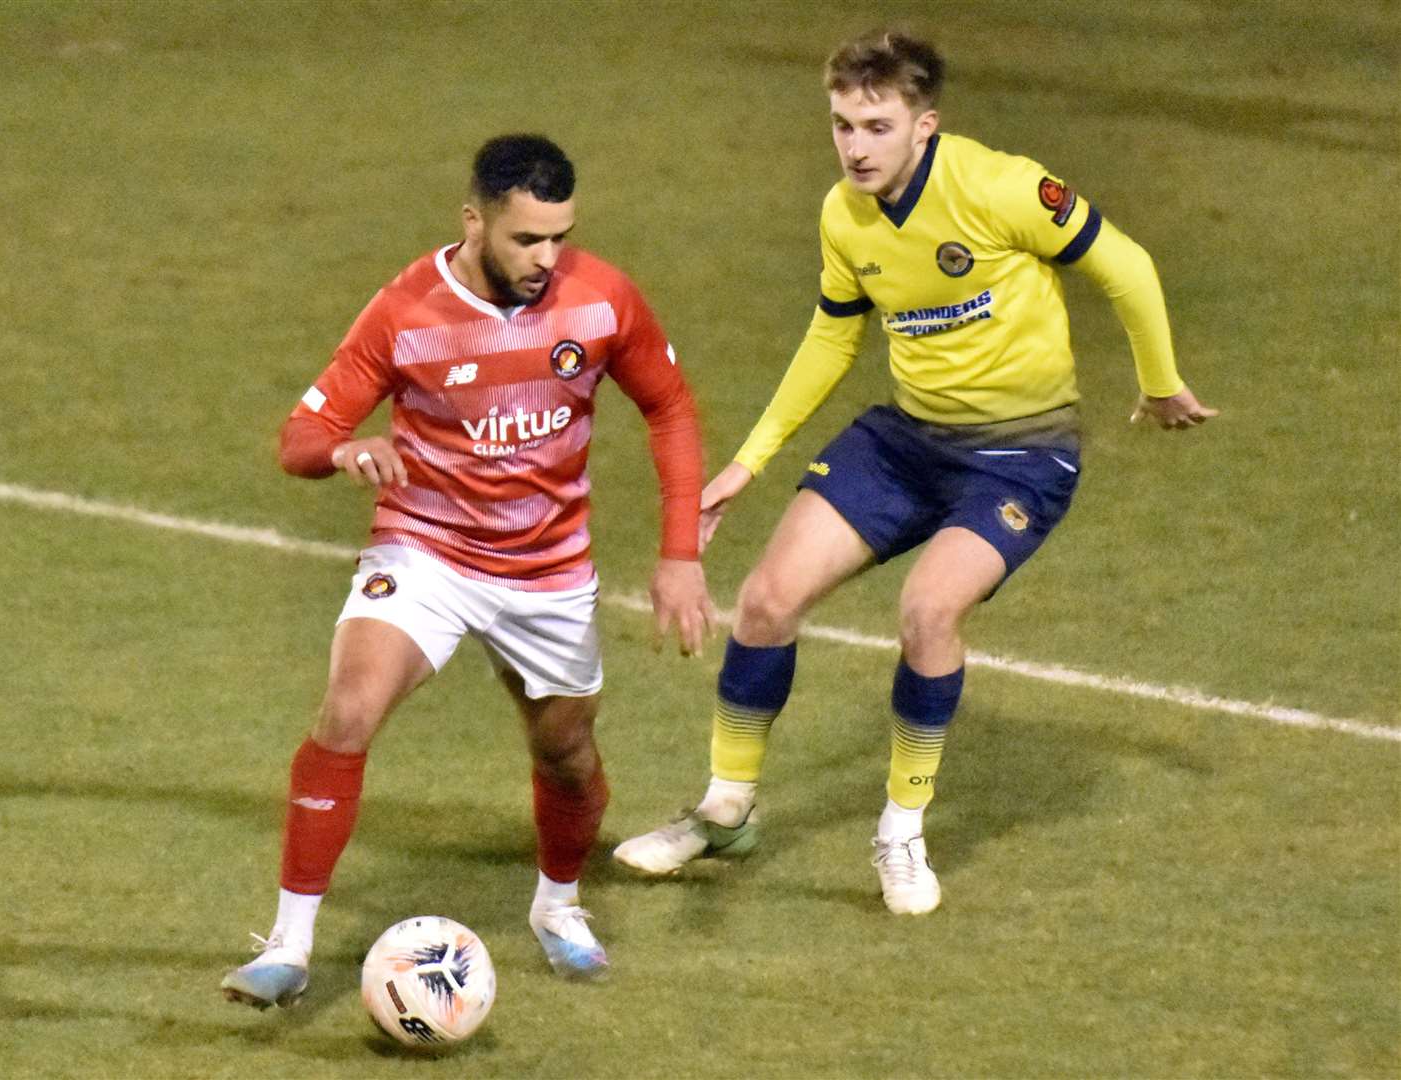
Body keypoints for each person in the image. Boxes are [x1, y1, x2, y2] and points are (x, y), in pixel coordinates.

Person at [614, 29, 1217, 915]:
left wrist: (1159, 385)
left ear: (923, 125)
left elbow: (1124, 266)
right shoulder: (843, 214)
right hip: (906, 441)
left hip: (1020, 457)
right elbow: (832, 333)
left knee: (928, 611)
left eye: (875, 125)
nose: (855, 146)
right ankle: (724, 809)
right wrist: (749, 461)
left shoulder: (1002, 187)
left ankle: (900, 829)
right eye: (841, 124)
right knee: (766, 600)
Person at [221, 134, 715, 1007]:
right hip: (427, 548)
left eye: (559, 236)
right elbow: (298, 439)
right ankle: (289, 946)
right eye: (526, 238)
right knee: (347, 711)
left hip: (547, 568)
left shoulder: (600, 301)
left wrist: (678, 553)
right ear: (474, 219)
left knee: (564, 754)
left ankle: (558, 907)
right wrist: (344, 451)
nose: (545, 258)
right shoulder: (406, 311)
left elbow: (668, 407)